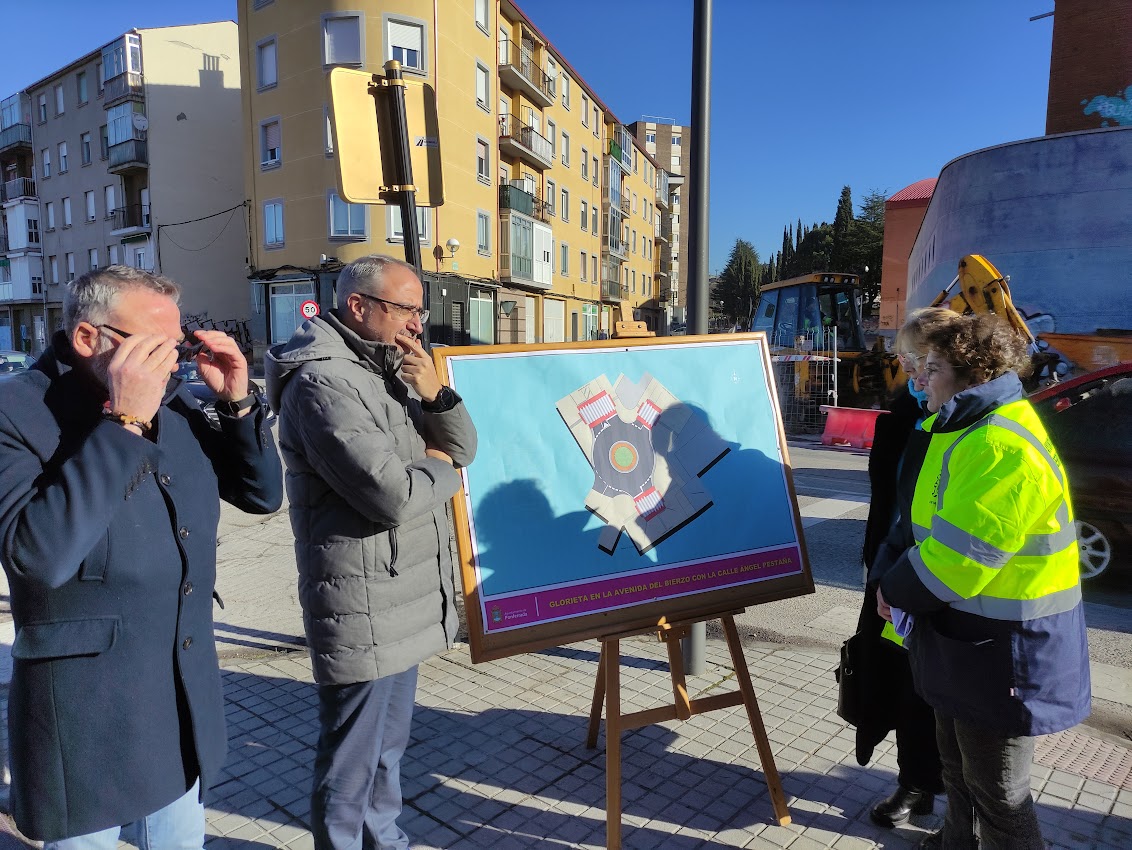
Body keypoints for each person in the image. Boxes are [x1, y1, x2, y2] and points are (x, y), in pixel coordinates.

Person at [0, 266, 283, 848]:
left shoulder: (176, 403)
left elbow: (261, 495)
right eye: (152, 345)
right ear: (88, 338)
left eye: (176, 342)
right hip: (87, 716)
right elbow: (38, 558)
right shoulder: (16, 412)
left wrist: (237, 405)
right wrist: (123, 422)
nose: (172, 359)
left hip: (177, 694)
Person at [265, 255, 477, 850]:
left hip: (400, 595)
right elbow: (393, 495)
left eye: (419, 309)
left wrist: (433, 392)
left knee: (387, 750)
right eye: (406, 308)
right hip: (361, 602)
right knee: (351, 762)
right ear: (359, 308)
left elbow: (465, 446)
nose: (418, 321)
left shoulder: (389, 367)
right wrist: (444, 469)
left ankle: (388, 843)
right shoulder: (323, 382)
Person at [877, 313, 1090, 850]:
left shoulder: (997, 443)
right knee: (959, 771)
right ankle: (954, 843)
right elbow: (920, 524)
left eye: (933, 367)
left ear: (973, 374)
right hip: (968, 640)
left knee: (1000, 795)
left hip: (1006, 650)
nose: (921, 379)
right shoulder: (962, 427)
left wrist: (891, 591)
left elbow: (958, 560)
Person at [854, 309, 959, 828]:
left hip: (941, 583)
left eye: (920, 360)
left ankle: (955, 805)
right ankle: (913, 785)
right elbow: (886, 500)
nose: (910, 372)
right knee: (898, 684)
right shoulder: (900, 416)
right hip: (891, 575)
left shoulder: (967, 423)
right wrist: (877, 562)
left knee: (942, 699)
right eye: (906, 361)